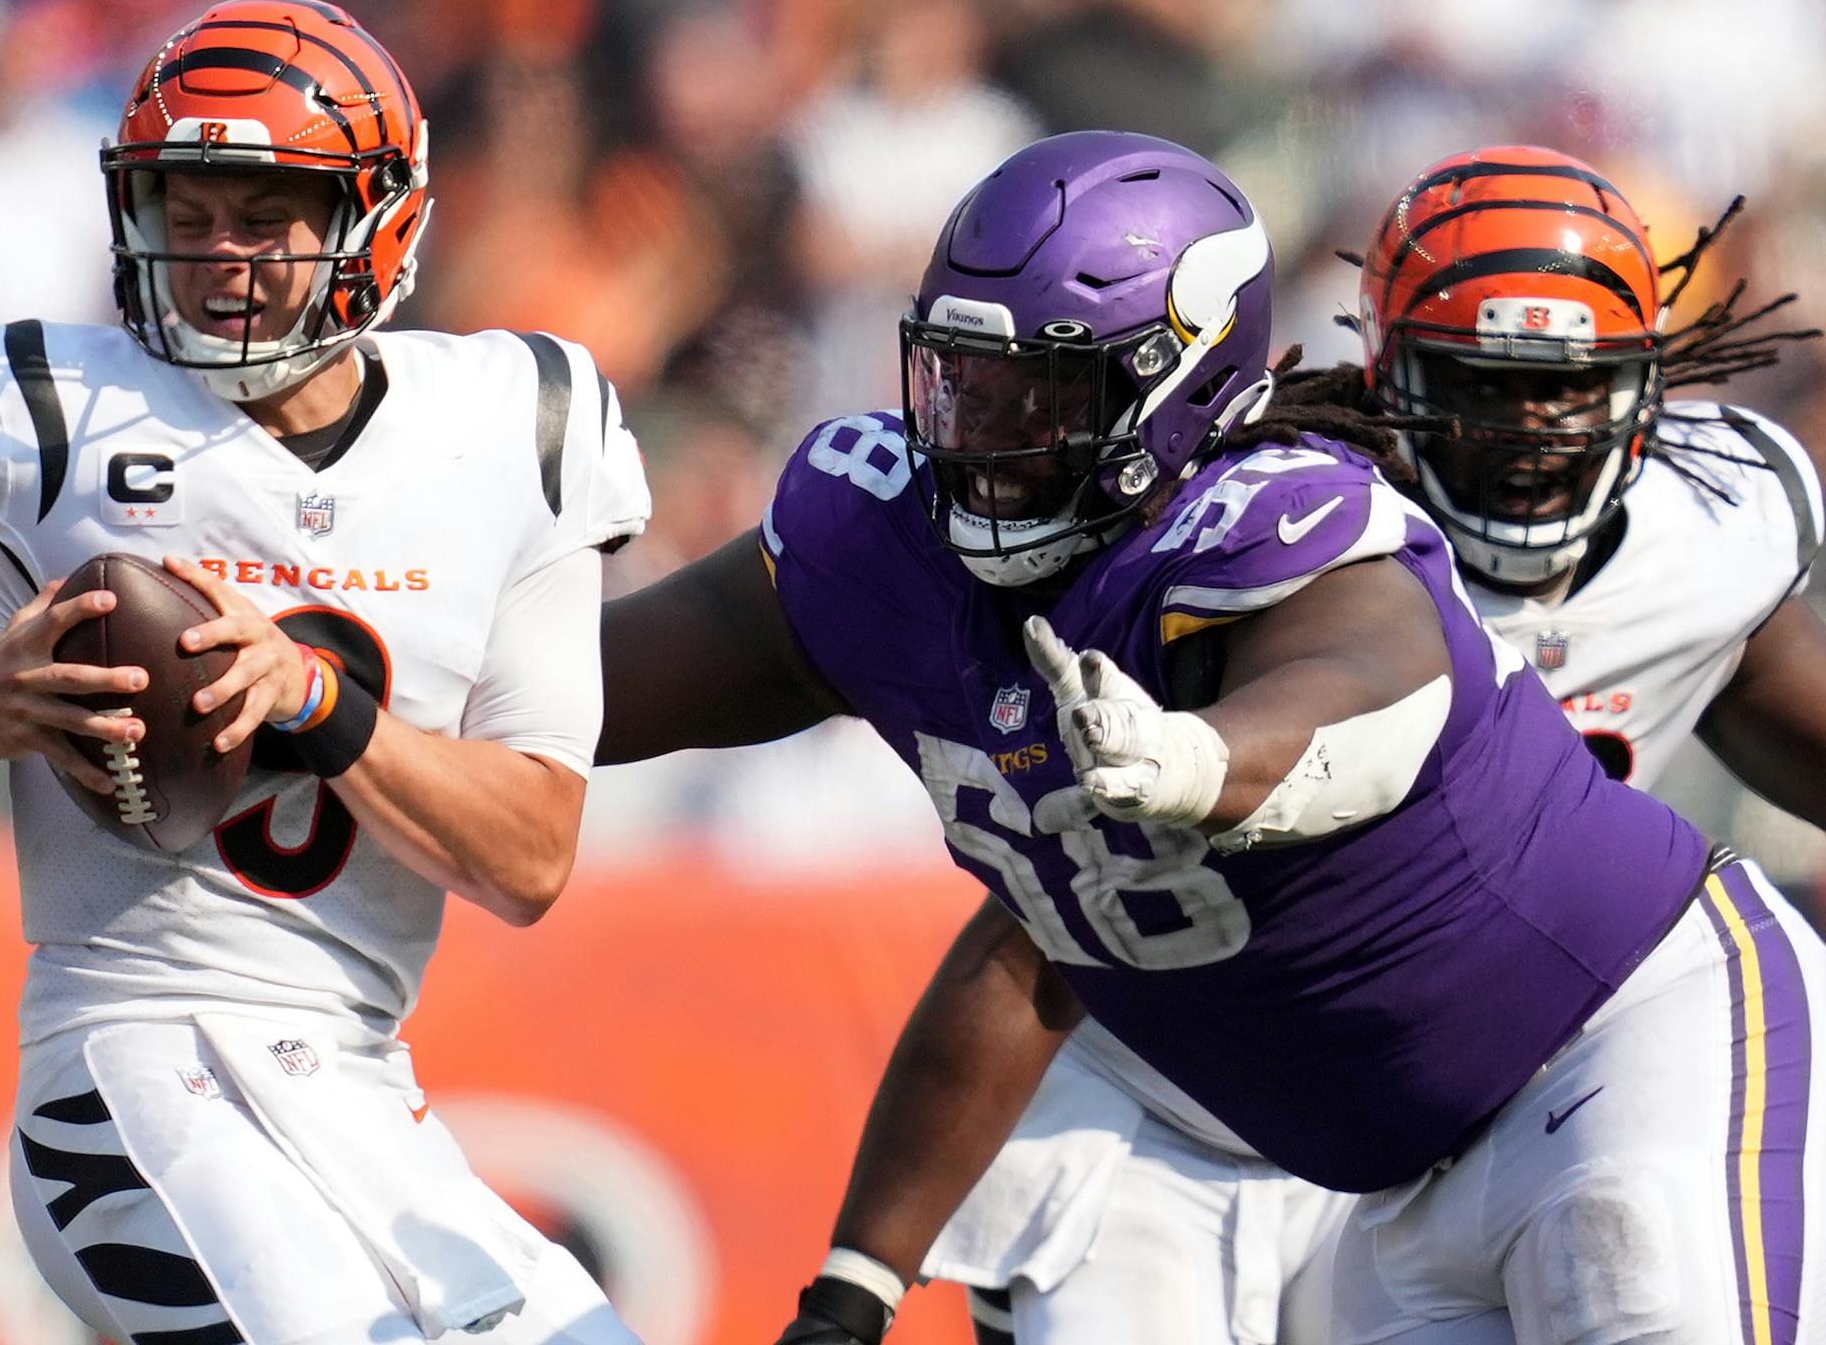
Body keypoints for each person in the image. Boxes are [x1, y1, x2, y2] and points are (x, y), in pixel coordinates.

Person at [596, 131, 1826, 1345]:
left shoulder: (1289, 522)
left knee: (1647, 1265)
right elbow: (1035, 928)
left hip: (1589, 1043)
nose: (986, 432)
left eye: (1043, 391)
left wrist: (1200, 760)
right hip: (1320, 1133)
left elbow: (1378, 695)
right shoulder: (893, 535)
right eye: (965, 379)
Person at [0, 0, 650, 1345]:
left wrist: (319, 706)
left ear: (375, 220)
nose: (219, 256)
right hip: (126, 1067)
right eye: (187, 212)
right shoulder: (47, 419)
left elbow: (528, 858)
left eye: (265, 215)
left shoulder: (518, 427)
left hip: (359, 1088)